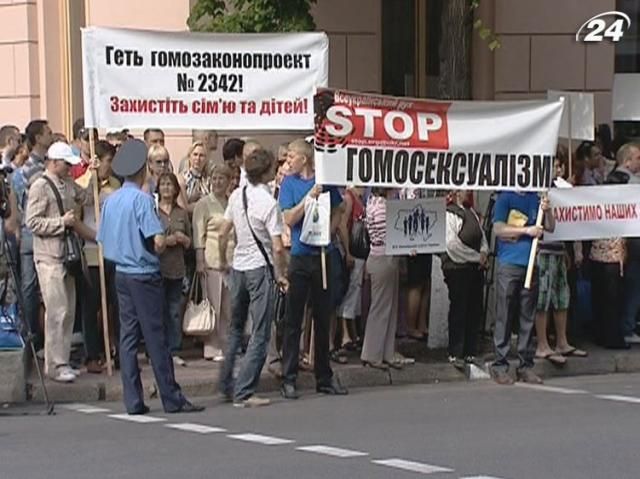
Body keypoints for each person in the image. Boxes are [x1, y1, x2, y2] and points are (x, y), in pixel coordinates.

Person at [97, 139, 203, 414]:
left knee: (129, 337)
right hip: (143, 272)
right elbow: (156, 240)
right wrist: (164, 241)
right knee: (156, 337)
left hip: (121, 272)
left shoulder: (111, 200)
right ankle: (171, 397)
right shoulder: (142, 200)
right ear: (142, 169)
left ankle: (133, 400)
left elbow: (103, 239)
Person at [217, 149, 287, 407]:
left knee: (236, 328)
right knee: (260, 331)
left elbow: (224, 233)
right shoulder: (269, 203)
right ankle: (244, 391)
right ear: (268, 172)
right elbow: (278, 246)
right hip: (260, 268)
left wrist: (224, 260)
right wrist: (281, 274)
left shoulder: (238, 195)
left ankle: (226, 382)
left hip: (239, 266)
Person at [278, 138, 348, 399]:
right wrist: (309, 197)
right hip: (299, 256)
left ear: (304, 159)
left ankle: (324, 376)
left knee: (322, 316)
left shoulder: (324, 181)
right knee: (294, 319)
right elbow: (288, 218)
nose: (287, 162)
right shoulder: (290, 184)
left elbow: (340, 208)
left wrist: (328, 233)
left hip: (322, 255)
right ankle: (289, 377)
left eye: (291, 158)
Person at [26, 142, 95, 382]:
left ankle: (62, 360)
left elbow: (86, 196)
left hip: (67, 256)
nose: (68, 168)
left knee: (68, 310)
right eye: (66, 163)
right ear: (54, 162)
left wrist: (93, 173)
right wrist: (61, 223)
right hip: (48, 256)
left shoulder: (67, 184)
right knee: (57, 310)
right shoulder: (39, 187)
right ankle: (55, 364)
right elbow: (32, 222)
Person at [491, 190, 555, 385]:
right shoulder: (505, 198)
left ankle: (525, 366)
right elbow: (499, 229)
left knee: (527, 317)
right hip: (509, 264)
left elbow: (550, 227)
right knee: (505, 315)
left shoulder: (536, 198)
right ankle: (500, 365)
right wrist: (526, 231)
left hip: (530, 265)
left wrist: (548, 210)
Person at [535, 151, 587, 365]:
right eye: (555, 166)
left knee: (561, 296)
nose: (558, 170)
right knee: (543, 298)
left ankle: (562, 341)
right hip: (543, 249)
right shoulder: (538, 190)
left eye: (560, 166)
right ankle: (542, 343)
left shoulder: (562, 190)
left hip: (558, 248)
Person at [75, 140, 121, 373]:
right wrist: (97, 237)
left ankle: (121, 353)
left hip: (113, 252)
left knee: (117, 303)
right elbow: (76, 220)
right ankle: (92, 354)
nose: (110, 166)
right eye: (108, 161)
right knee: (92, 306)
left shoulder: (115, 185)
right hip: (92, 252)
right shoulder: (82, 184)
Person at [14, 119, 53, 352]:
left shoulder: (29, 168)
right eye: (48, 132)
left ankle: (35, 338)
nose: (50, 136)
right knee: (34, 289)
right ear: (38, 138)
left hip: (34, 233)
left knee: (34, 289)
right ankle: (33, 338)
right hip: (36, 234)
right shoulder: (33, 170)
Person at [443, 190, 488, 369]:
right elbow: (452, 245)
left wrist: (484, 251)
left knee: (474, 309)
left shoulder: (471, 213)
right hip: (457, 268)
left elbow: (481, 236)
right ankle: (456, 352)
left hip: (474, 269)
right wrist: (476, 257)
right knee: (459, 309)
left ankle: (470, 350)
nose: (467, 192)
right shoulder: (450, 213)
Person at [193, 165, 235, 362]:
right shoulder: (204, 204)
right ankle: (211, 347)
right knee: (214, 305)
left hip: (232, 259)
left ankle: (225, 344)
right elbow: (198, 234)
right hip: (211, 260)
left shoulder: (230, 203)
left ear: (228, 181)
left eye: (221, 178)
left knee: (228, 306)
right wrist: (199, 260)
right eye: (215, 178)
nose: (217, 182)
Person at [360, 188, 403, 370]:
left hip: (377, 255)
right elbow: (392, 233)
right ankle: (373, 354)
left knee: (385, 306)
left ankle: (384, 352)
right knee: (381, 307)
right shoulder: (384, 208)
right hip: (384, 256)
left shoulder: (371, 203)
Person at [602, 142, 640, 346]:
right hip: (629, 244)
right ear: (626, 161)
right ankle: (627, 326)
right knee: (632, 286)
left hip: (629, 244)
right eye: (637, 158)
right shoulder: (625, 181)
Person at [157, 172, 191, 367]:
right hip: (158, 268)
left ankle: (174, 349)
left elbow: (190, 241)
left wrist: (183, 239)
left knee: (174, 311)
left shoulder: (181, 213)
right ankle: (159, 351)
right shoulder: (153, 211)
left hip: (177, 269)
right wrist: (166, 241)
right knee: (159, 310)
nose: (166, 188)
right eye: (163, 184)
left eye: (170, 185)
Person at [178, 141, 212, 214]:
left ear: (206, 159)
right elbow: (184, 207)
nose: (198, 158)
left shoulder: (209, 180)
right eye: (195, 154)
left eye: (201, 155)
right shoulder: (182, 178)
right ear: (189, 156)